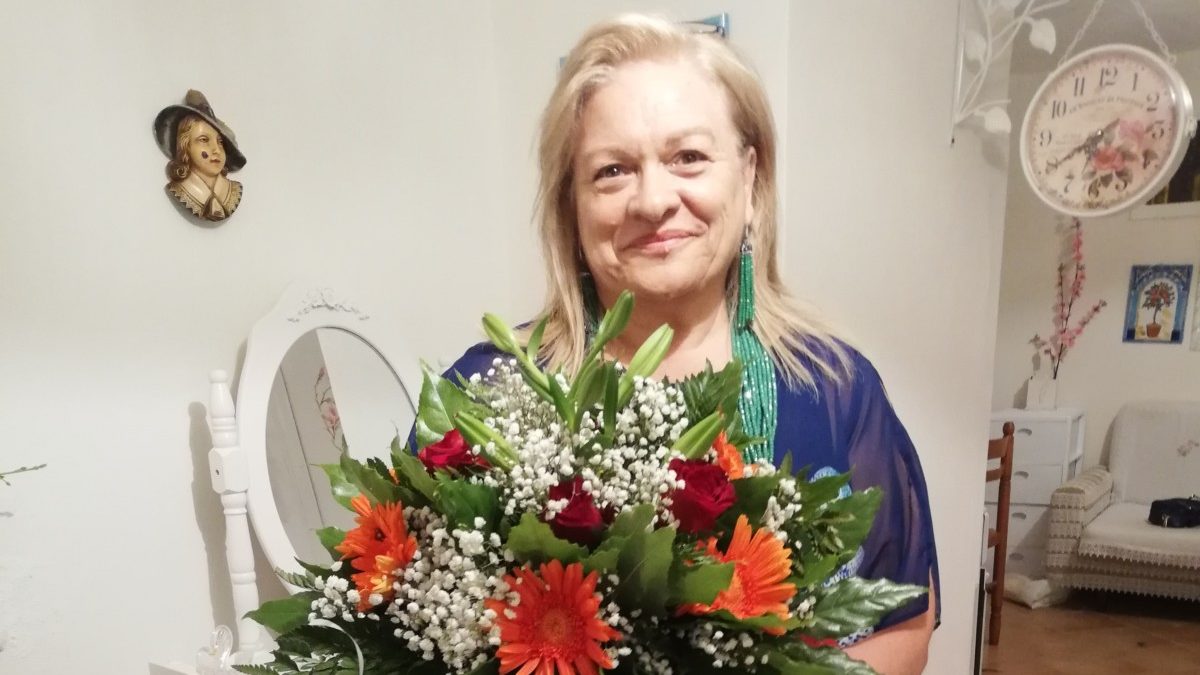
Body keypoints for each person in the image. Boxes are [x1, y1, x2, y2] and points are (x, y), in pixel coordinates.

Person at [445, 15, 939, 673]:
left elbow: (902, 628)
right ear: (571, 205)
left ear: (750, 178)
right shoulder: (486, 395)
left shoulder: (836, 392)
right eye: (612, 170)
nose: (653, 200)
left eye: (688, 158)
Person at [154, 90, 245, 221]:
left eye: (220, 142)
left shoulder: (233, 191)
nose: (216, 150)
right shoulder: (181, 190)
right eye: (204, 140)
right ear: (185, 146)